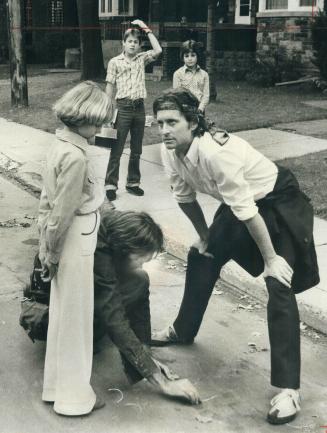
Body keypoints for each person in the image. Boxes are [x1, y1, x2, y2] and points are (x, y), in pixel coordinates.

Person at [151, 88, 320, 425]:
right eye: (159, 123)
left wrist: (271, 259)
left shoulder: (216, 153)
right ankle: (182, 330)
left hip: (277, 200)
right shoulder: (169, 150)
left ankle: (288, 390)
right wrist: (204, 237)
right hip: (243, 205)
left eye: (172, 122)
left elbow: (247, 210)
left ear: (193, 121)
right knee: (203, 255)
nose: (164, 130)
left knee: (278, 283)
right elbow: (184, 197)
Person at [37, 81, 112, 416]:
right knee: (77, 319)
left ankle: (56, 387)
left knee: (64, 313)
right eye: (96, 122)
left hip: (62, 239)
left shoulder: (61, 145)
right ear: (80, 118)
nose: (99, 129)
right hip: (74, 237)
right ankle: (75, 397)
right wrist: (51, 254)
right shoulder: (77, 157)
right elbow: (62, 213)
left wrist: (46, 250)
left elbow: (47, 207)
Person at [93, 209, 200, 405]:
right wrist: (161, 382)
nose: (142, 265)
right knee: (112, 315)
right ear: (123, 248)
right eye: (140, 259)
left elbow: (139, 312)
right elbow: (114, 316)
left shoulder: (115, 231)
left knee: (139, 279)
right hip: (56, 316)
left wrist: (147, 359)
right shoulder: (98, 253)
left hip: (95, 292)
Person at [105, 19, 162, 202]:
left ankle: (133, 183)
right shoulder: (115, 62)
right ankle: (110, 185)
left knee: (136, 149)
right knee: (116, 148)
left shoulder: (141, 59)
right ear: (124, 43)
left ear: (139, 45)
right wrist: (107, 110)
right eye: (129, 41)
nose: (132, 44)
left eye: (136, 42)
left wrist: (145, 28)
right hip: (122, 108)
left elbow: (159, 50)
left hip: (139, 108)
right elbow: (109, 86)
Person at [173, 40, 209, 114]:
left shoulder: (204, 74)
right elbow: (177, 95)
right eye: (186, 56)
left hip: (200, 109)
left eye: (193, 55)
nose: (190, 58)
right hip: (184, 109)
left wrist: (200, 109)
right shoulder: (178, 74)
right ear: (182, 57)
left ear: (197, 56)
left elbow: (206, 95)